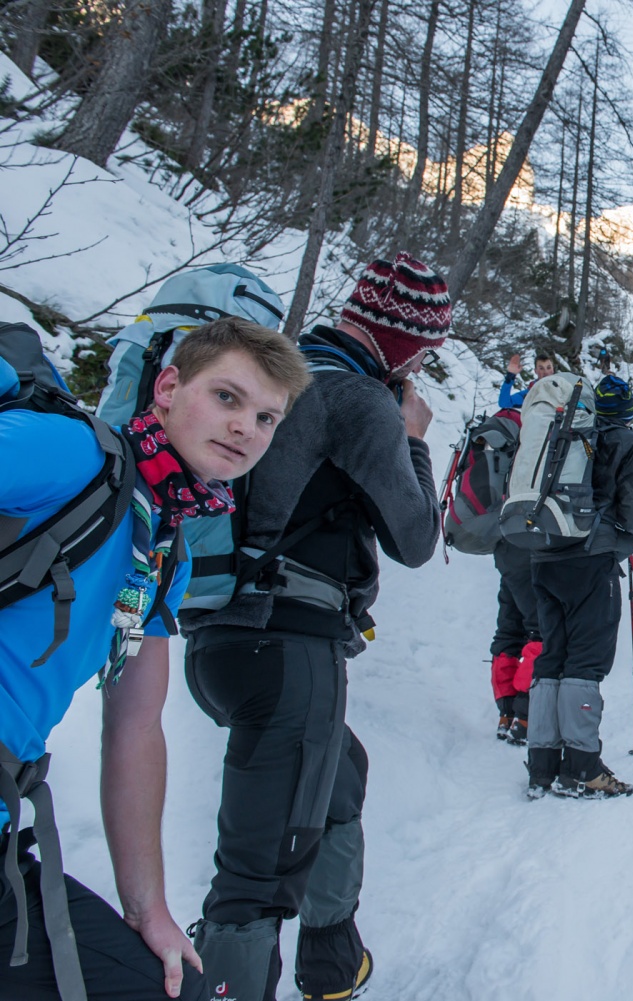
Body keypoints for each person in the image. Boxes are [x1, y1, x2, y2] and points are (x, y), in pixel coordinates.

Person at [0, 316, 308, 1001]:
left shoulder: (161, 552)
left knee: (168, 986)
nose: (245, 428)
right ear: (167, 387)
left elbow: (137, 725)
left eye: (266, 417)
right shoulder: (73, 454)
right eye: (226, 397)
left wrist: (149, 912)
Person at [179, 253, 449, 1001]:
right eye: (426, 348)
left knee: (338, 779)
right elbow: (417, 538)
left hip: (221, 639)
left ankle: (331, 963)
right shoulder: (357, 399)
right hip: (291, 642)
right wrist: (416, 439)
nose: (427, 362)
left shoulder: (282, 381)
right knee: (259, 870)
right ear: (402, 342)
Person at [526, 374, 633, 799]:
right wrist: (613, 546)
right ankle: (582, 768)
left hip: (544, 553)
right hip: (589, 560)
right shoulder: (632, 445)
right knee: (585, 659)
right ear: (630, 408)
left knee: (554, 655)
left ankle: (542, 766)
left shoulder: (566, 436)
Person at [489, 537, 541, 744]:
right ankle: (525, 717)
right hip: (537, 551)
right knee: (542, 631)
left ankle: (507, 714)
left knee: (509, 631)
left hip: (507, 550)